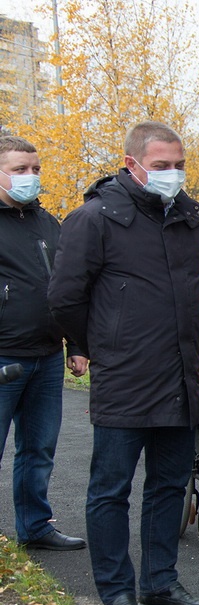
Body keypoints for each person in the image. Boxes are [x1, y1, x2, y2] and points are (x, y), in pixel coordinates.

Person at [49, 121, 199, 605]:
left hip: (180, 375)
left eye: (178, 164)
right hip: (124, 377)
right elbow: (64, 298)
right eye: (161, 165)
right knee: (110, 490)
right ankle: (117, 593)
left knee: (169, 485)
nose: (172, 174)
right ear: (132, 165)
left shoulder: (188, 218)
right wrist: (103, 346)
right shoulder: (95, 218)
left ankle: (160, 583)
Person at [0, 136, 86, 551]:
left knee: (39, 450)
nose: (30, 177)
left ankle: (34, 526)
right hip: (3, 357)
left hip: (47, 357)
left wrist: (77, 342)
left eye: (35, 169)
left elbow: (65, 288)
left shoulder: (47, 222)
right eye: (19, 170)